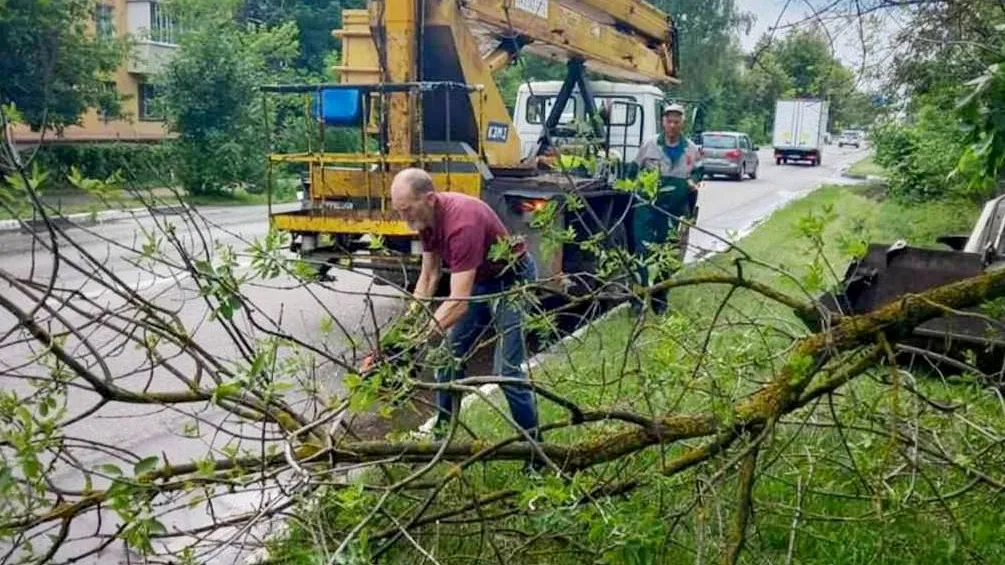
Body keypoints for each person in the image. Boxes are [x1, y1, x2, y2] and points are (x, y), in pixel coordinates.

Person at [387, 168, 542, 446]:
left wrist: (418, 341)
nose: (404, 218)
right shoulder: (426, 220)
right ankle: (441, 442)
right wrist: (402, 335)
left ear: (430, 199)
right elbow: (428, 277)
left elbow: (458, 302)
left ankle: (536, 451)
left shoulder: (462, 224)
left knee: (507, 373)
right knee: (447, 359)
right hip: (482, 280)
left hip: (512, 279)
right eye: (399, 211)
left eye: (407, 210)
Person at [629, 103, 703, 314]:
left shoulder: (691, 149)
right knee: (642, 254)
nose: (672, 125)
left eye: (676, 122)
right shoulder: (650, 145)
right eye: (669, 121)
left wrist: (693, 182)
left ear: (682, 124)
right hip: (647, 210)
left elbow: (699, 172)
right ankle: (637, 301)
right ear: (663, 122)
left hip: (674, 211)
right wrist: (635, 192)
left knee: (668, 257)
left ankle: (660, 302)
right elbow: (632, 171)